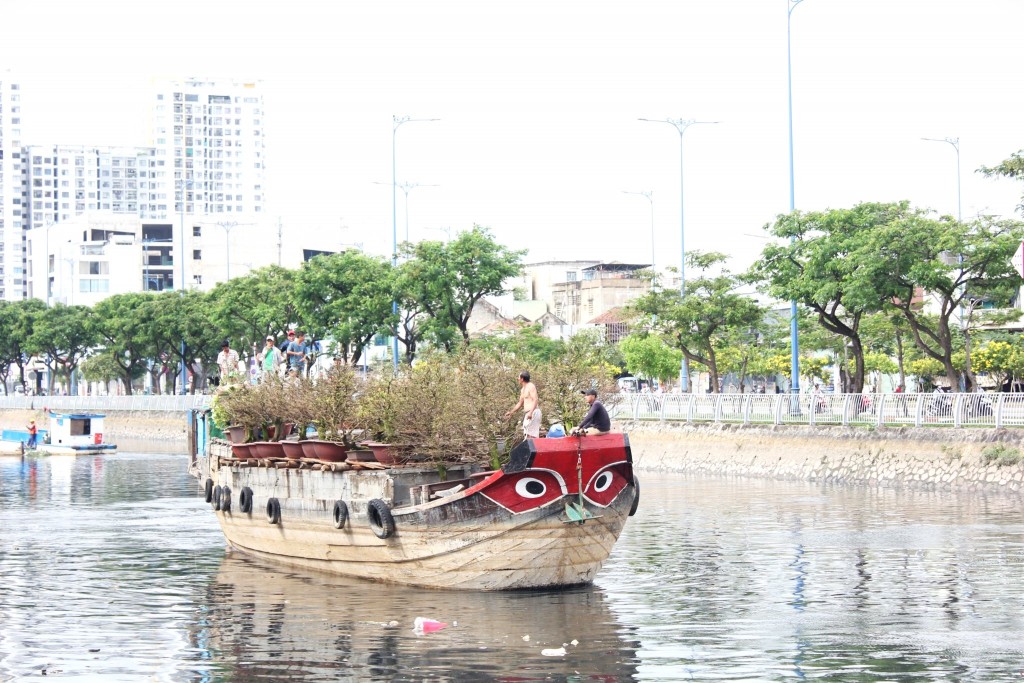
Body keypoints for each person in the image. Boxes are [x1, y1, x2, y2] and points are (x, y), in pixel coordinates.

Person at [506, 370, 541, 438]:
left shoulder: (531, 386)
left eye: (518, 377)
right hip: (528, 413)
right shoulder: (523, 390)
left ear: (522, 379)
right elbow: (520, 403)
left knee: (531, 435)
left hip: (533, 412)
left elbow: (535, 399)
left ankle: (534, 447)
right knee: (527, 434)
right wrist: (511, 412)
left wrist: (531, 412)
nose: (517, 379)